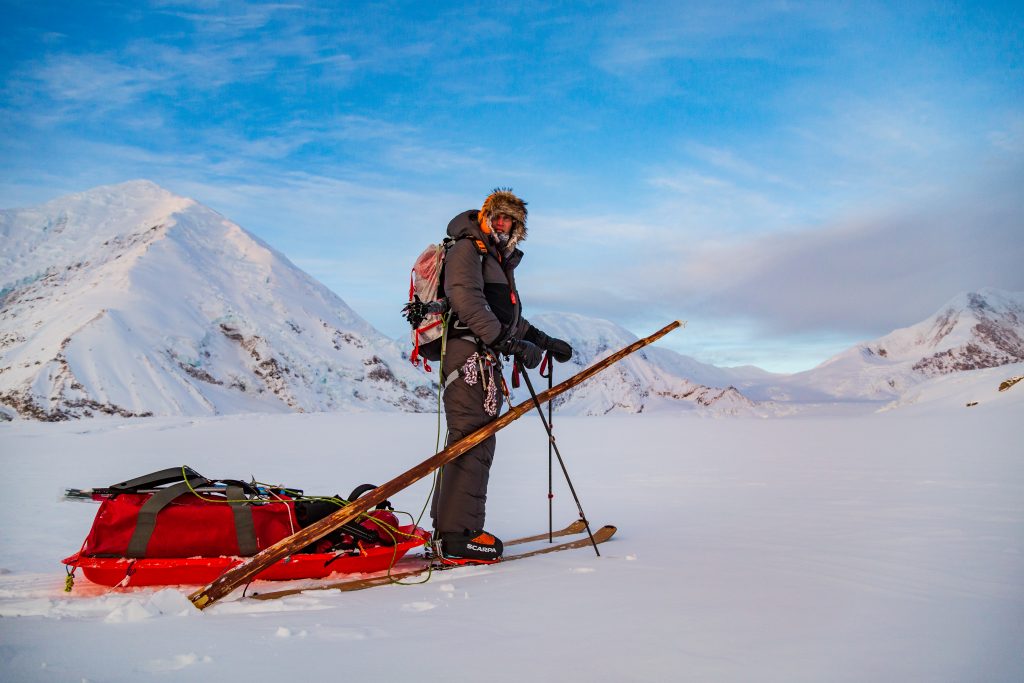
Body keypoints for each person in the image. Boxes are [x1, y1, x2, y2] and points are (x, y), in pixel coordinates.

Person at [431, 188, 574, 564]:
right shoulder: (468, 249)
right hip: (468, 357)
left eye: (510, 220)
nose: (502, 224)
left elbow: (506, 317)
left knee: (473, 440)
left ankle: (452, 531)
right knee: (472, 440)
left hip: (481, 357)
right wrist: (509, 346)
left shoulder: (495, 259)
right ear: (485, 216)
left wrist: (543, 341)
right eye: (497, 217)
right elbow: (468, 303)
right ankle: (459, 537)